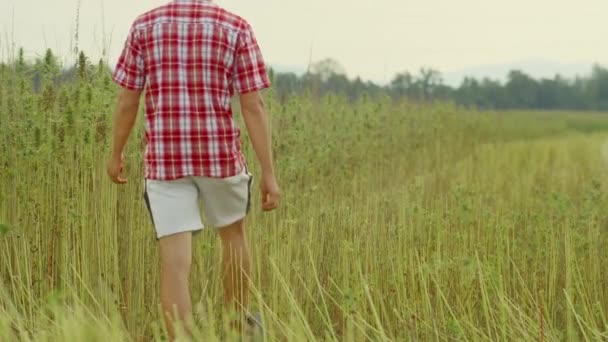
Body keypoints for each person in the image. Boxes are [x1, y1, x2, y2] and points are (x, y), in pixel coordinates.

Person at [106, 0, 280, 339]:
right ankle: (238, 329)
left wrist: (116, 153)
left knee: (174, 261)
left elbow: (128, 100)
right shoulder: (235, 27)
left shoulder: (145, 26)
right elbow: (253, 105)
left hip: (165, 160)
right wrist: (269, 172)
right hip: (219, 157)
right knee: (233, 237)